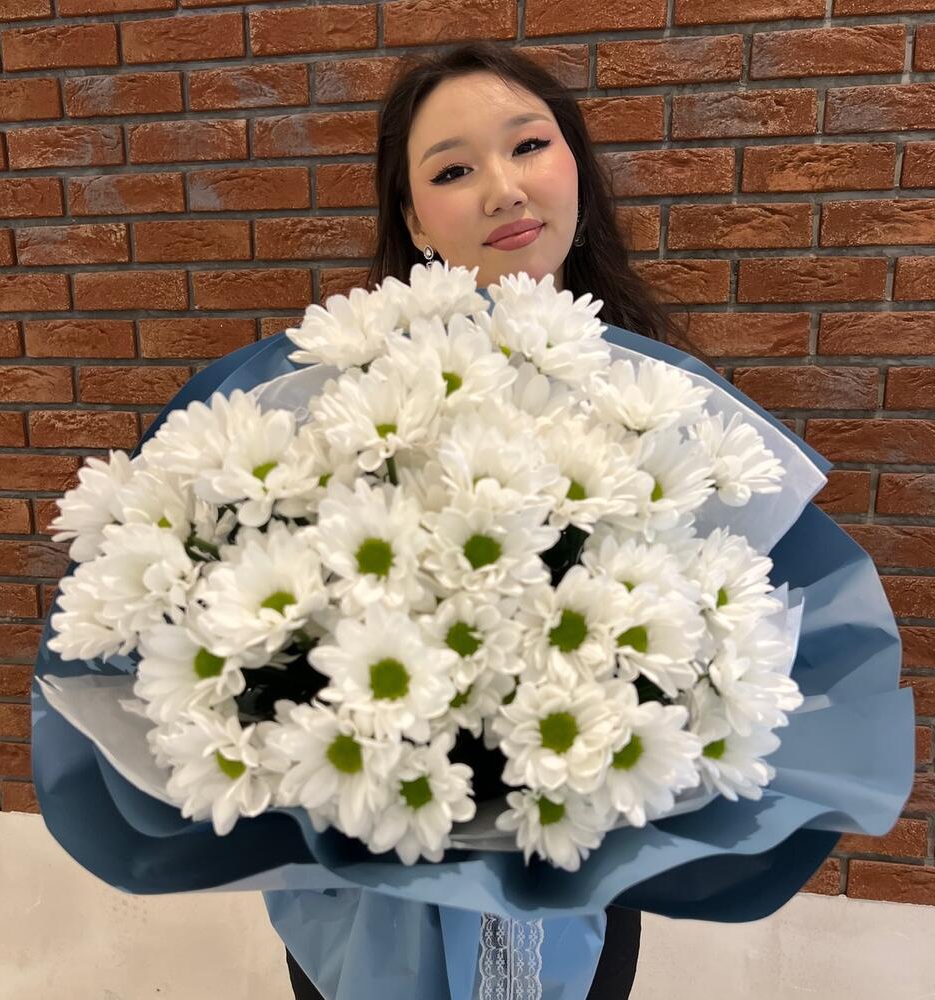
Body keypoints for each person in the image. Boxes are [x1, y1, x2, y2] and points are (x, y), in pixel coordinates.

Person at [280, 39, 693, 1000]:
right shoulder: (343, 407)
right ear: (413, 219)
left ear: (575, 167)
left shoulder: (666, 407)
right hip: (367, 880)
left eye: (529, 146)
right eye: (454, 170)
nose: (505, 190)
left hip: (575, 866)